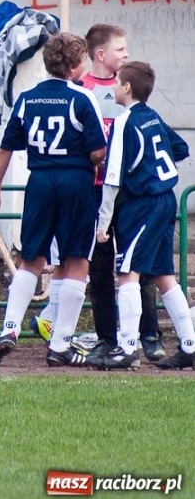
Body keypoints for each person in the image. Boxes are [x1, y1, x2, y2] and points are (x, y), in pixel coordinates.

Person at [0, 33, 105, 368]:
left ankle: (9, 330)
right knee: (76, 260)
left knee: (30, 259)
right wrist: (97, 159)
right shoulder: (82, 98)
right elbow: (97, 150)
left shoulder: (27, 98)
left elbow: (5, 149)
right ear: (75, 65)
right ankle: (61, 344)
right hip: (75, 182)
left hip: (38, 183)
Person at [90, 62, 195, 370]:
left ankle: (127, 347)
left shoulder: (124, 123)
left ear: (127, 88)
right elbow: (180, 147)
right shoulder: (153, 116)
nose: (112, 86)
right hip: (166, 198)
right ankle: (189, 345)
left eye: (116, 82)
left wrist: (103, 223)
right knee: (163, 275)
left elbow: (112, 178)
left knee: (127, 272)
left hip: (143, 204)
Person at [77, 24, 164, 362]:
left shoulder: (133, 92)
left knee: (138, 264)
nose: (126, 56)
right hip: (96, 192)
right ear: (100, 55)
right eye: (120, 50)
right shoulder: (82, 90)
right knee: (99, 266)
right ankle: (106, 338)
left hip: (131, 195)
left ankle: (149, 335)